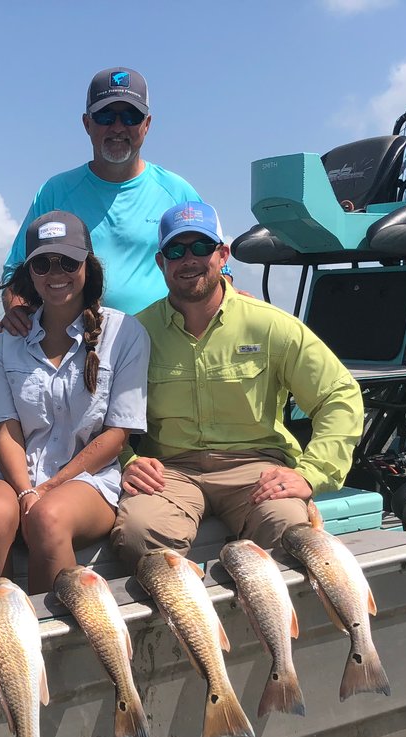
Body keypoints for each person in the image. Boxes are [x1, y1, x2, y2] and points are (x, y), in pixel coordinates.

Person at [111, 200, 364, 565]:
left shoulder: (270, 324)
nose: (189, 259)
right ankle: (190, 622)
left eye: (201, 246)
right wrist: (127, 460)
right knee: (138, 534)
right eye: (176, 250)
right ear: (160, 261)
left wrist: (312, 474)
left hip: (255, 469)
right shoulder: (136, 332)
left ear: (222, 254)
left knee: (290, 529)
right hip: (170, 471)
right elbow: (95, 409)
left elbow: (339, 395)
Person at [0, 67, 199, 403]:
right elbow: (16, 273)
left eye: (130, 116)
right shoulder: (55, 191)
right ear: (87, 123)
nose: (118, 126)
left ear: (147, 125)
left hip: (158, 338)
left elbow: (214, 270)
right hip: (73, 336)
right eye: (105, 115)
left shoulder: (178, 191)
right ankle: (1, 447)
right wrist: (18, 310)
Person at [0, 211, 149, 595]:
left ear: (88, 265)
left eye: (68, 261)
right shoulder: (5, 343)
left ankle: (49, 643)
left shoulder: (125, 333)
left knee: (47, 519)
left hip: (88, 480)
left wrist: (48, 489)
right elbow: (6, 429)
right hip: (12, 475)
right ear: (29, 273)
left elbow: (117, 435)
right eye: (42, 263)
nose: (56, 273)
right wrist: (25, 490)